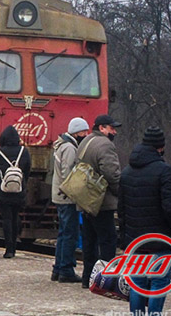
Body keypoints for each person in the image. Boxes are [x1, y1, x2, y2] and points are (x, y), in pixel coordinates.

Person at [119, 127, 171, 316]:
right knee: (158, 283)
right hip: (159, 240)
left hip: (135, 241)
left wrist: (124, 238)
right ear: (160, 147)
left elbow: (122, 209)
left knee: (137, 283)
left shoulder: (127, 171)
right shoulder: (165, 171)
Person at [77, 114, 121, 288]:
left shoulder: (86, 141)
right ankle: (106, 280)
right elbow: (111, 173)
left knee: (89, 241)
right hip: (101, 201)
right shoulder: (105, 144)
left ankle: (87, 277)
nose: (114, 131)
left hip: (85, 199)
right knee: (108, 240)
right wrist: (120, 192)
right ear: (102, 128)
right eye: (112, 128)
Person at [51, 117, 90, 282]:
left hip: (60, 195)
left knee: (63, 233)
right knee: (70, 234)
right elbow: (68, 173)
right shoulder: (69, 148)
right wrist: (75, 191)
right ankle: (66, 269)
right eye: (83, 131)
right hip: (67, 197)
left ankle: (58, 268)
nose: (85, 134)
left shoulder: (62, 145)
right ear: (76, 132)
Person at [0, 125, 31, 259]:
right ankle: (14, 245)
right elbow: (27, 169)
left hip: (3, 190)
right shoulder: (24, 151)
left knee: (7, 218)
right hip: (18, 189)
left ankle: (8, 249)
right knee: (15, 217)